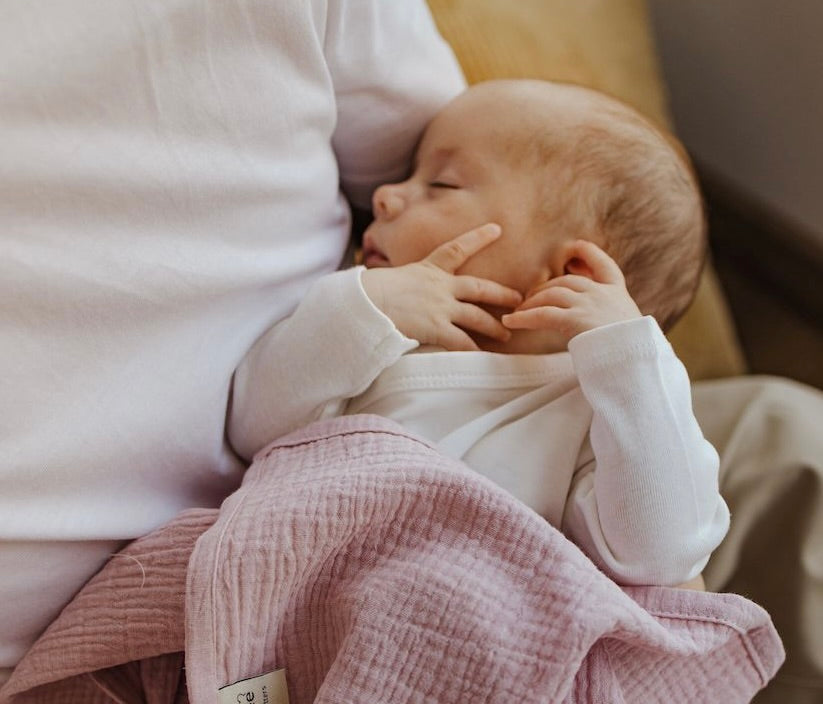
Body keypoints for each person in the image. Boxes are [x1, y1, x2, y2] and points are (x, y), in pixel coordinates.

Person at [0, 0, 465, 685]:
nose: (394, 200)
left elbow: (493, 161)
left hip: (217, 621)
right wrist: (359, 311)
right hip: (179, 631)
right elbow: (259, 423)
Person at [229, 79, 728, 587]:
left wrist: (628, 362)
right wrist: (363, 310)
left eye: (440, 184)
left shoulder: (599, 415)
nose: (383, 196)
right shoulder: (377, 340)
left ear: (569, 272)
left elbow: (661, 555)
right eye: (408, 174)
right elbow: (255, 429)